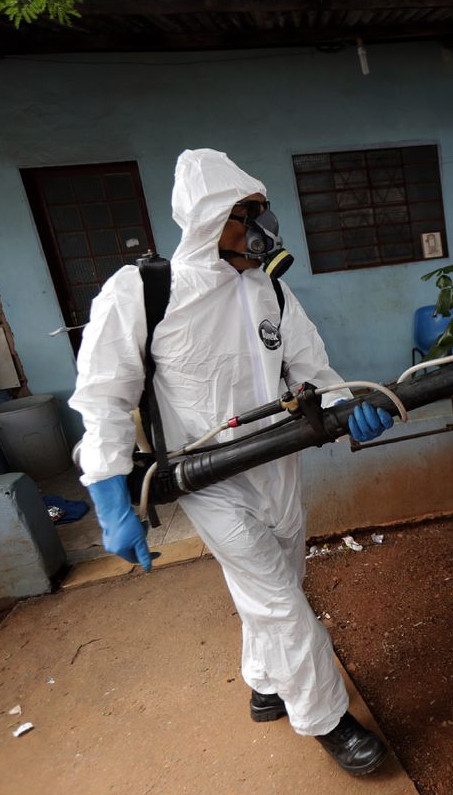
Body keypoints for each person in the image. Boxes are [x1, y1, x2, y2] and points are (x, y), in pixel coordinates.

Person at [69, 148, 394, 777]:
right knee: (277, 597)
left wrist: (352, 407)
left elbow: (313, 370)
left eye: (260, 213)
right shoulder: (141, 290)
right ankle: (327, 719)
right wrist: (111, 503)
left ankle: (265, 679)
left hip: (278, 462)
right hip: (206, 474)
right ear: (206, 219)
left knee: (278, 580)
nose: (258, 229)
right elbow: (103, 397)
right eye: (243, 216)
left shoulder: (269, 286)